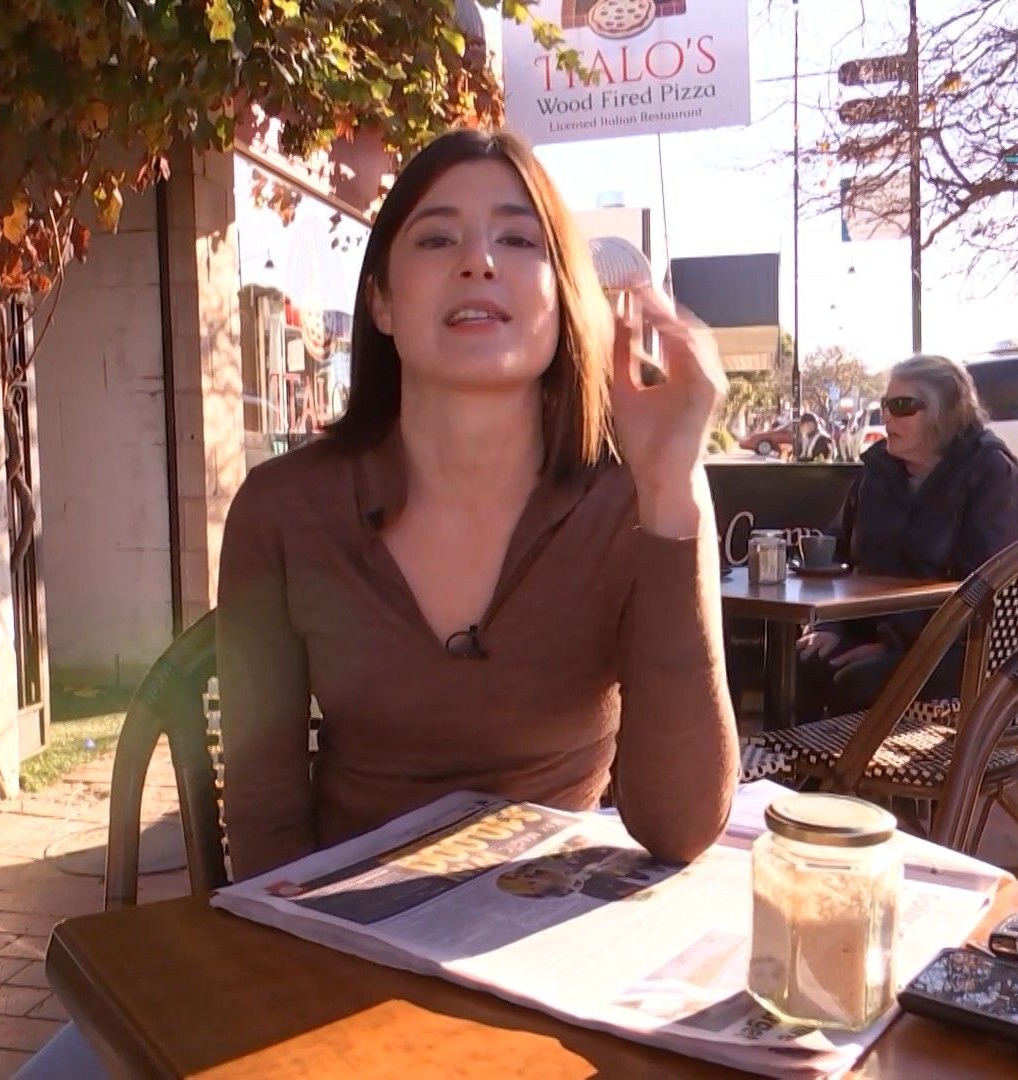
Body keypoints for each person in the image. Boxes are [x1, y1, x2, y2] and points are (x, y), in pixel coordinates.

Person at [216, 128, 737, 881]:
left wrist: (669, 491)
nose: (479, 261)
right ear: (382, 302)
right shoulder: (282, 510)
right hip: (340, 921)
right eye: (437, 239)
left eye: (518, 240)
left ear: (564, 299)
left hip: (550, 924)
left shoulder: (640, 493)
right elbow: (264, 818)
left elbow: (680, 829)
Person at [792, 354, 1018, 723]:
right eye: (885, 404)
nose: (887, 417)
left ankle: (850, 763)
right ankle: (797, 762)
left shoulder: (990, 471)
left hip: (960, 647)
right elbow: (835, 552)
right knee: (801, 661)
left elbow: (986, 588)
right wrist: (830, 625)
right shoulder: (878, 472)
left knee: (854, 682)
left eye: (902, 406)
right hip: (875, 629)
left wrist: (896, 647)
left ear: (945, 411)